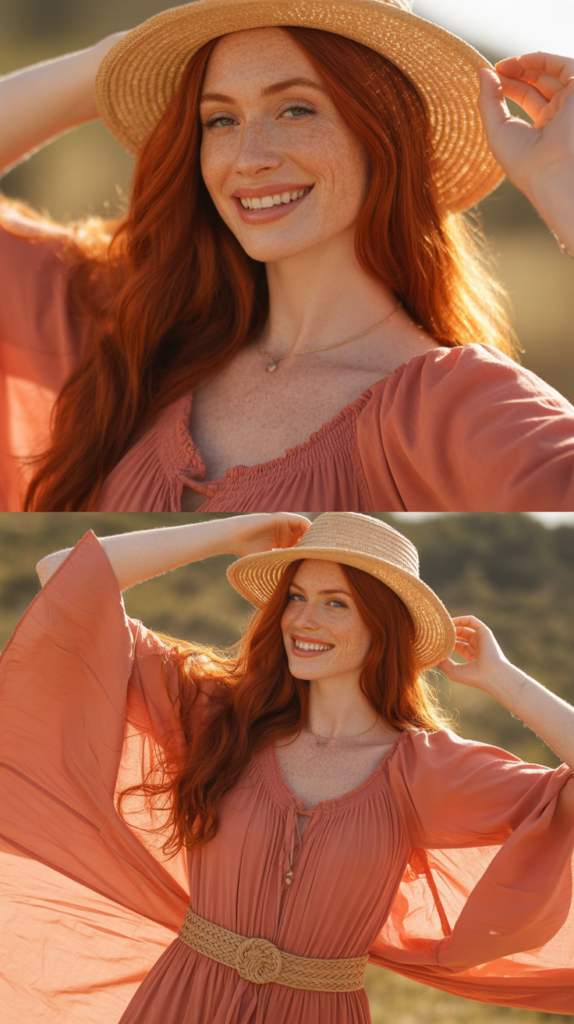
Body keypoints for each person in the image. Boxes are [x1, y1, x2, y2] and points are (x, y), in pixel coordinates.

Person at [1, 511, 573, 1024]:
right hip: (183, 1001)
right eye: (296, 596)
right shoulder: (220, 716)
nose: (304, 619)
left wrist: (503, 679)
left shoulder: (428, 769)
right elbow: (64, 575)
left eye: (336, 602)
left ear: (383, 626)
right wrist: (227, 532)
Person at [1, 1, 574, 512]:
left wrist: (563, 189)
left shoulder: (457, 409)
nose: (248, 157)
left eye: (295, 110)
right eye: (220, 119)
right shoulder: (136, 328)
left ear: (383, 133)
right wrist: (113, 59)